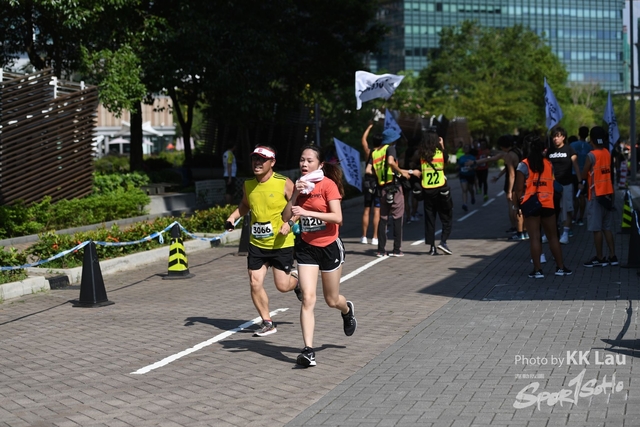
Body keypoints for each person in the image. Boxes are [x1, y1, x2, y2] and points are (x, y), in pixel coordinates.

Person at [282, 144, 356, 368]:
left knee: (331, 300)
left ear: (320, 164)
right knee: (308, 298)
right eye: (302, 160)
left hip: (329, 246)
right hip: (307, 248)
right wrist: (295, 195)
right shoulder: (300, 186)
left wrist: (306, 212)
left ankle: (347, 310)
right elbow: (286, 216)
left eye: (309, 161)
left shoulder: (328, 185)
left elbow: (337, 217)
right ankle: (308, 350)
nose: (304, 164)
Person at [224, 145, 301, 337]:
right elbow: (245, 205)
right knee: (254, 281)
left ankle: (297, 281)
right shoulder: (248, 185)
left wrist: (290, 223)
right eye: (254, 159)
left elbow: (299, 206)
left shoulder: (284, 183)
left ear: (272, 162)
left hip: (281, 243)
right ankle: (267, 322)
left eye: (262, 160)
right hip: (257, 244)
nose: (257, 163)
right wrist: (233, 217)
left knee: (282, 286)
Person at [515, 133, 572, 278]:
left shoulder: (523, 165)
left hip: (531, 204)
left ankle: (538, 270)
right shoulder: (548, 163)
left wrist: (518, 206)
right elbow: (552, 182)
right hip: (547, 202)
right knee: (553, 236)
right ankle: (560, 267)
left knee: (535, 237)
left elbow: (518, 189)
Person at [407, 127, 454, 255]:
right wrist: (442, 146)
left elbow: (411, 164)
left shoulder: (421, 154)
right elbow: (447, 163)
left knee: (430, 219)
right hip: (441, 189)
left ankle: (432, 247)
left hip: (427, 190)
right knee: (446, 217)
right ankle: (443, 241)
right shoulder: (440, 153)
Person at [579, 126, 618, 267]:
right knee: (607, 227)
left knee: (596, 228)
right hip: (607, 194)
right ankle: (613, 256)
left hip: (596, 194)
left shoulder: (591, 155)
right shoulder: (607, 152)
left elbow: (584, 173)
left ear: (592, 139)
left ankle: (600, 257)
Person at [474, 135, 525, 240]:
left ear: (502, 146)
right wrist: (498, 176)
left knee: (513, 207)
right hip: (521, 180)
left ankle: (517, 229)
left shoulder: (509, 155)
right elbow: (509, 167)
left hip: (513, 183)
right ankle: (523, 230)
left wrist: (509, 190)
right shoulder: (518, 151)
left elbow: (511, 174)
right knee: (520, 207)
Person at [370, 128, 410, 257]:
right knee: (397, 217)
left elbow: (371, 170)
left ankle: (381, 250)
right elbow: (390, 162)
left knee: (383, 219)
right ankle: (397, 249)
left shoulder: (376, 152)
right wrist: (401, 172)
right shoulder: (390, 148)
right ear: (393, 140)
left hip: (382, 188)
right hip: (394, 186)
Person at [547, 125, 581, 244]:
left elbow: (576, 166)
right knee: (551, 209)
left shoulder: (569, 149)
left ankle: (565, 233)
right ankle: (550, 233)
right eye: (554, 136)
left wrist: (580, 181)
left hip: (567, 183)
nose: (555, 139)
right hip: (552, 185)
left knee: (567, 208)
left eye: (558, 136)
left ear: (563, 137)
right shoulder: (550, 151)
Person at [360, 121, 381, 246]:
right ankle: (375, 237)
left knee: (366, 209)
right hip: (377, 182)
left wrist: (369, 127)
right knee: (377, 210)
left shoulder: (369, 152)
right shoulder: (382, 154)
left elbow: (363, 140)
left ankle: (364, 236)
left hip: (368, 182)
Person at [570, 126, 592, 226]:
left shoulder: (572, 145)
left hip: (573, 174)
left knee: (574, 197)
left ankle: (574, 215)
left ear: (579, 133)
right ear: (587, 134)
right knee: (582, 196)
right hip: (585, 174)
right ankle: (581, 218)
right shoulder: (590, 147)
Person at [456, 144, 476, 212]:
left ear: (469, 149)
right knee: (464, 189)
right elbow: (458, 165)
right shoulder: (461, 158)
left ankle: (472, 196)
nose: (466, 149)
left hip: (470, 175)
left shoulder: (472, 157)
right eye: (465, 148)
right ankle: (465, 204)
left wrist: (472, 168)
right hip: (463, 175)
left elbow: (476, 166)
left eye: (467, 148)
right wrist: (457, 168)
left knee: (470, 189)